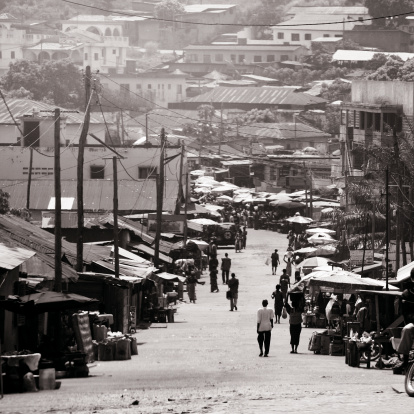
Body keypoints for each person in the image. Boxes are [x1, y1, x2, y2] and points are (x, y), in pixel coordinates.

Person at [395, 268, 414, 370]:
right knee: (406, 329)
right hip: (413, 323)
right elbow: (405, 314)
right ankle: (405, 361)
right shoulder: (406, 294)